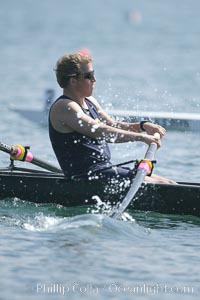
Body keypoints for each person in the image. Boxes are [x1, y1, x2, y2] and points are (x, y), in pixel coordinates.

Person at [49, 53, 175, 184]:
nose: (94, 79)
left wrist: (143, 126)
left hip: (104, 172)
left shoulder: (89, 100)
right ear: (73, 81)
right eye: (89, 76)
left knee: (171, 183)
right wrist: (142, 138)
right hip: (85, 177)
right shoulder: (65, 106)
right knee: (166, 185)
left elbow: (113, 125)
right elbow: (99, 130)